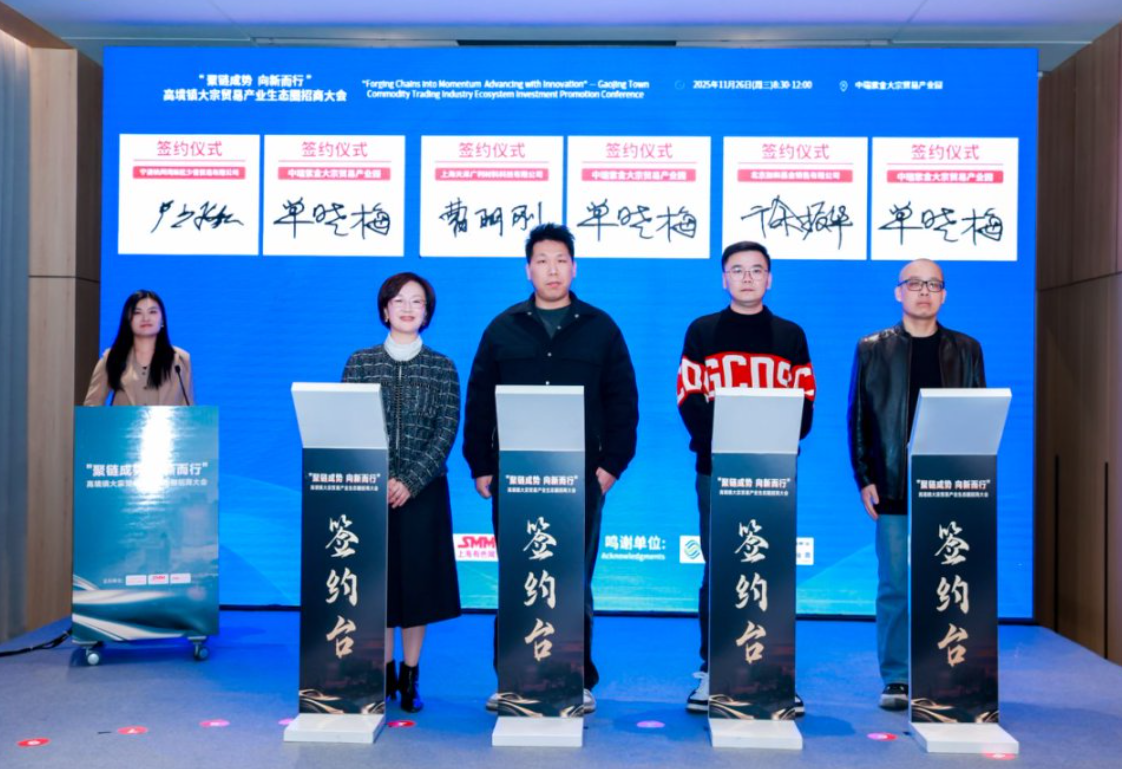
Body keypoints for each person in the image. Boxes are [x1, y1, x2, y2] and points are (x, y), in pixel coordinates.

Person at [463, 222, 639, 714]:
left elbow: (623, 402)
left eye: (561, 260)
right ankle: (512, 677)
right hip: (515, 479)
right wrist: (481, 465)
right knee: (517, 578)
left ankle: (575, 678)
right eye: (542, 261)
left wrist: (610, 467)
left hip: (581, 479)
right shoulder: (502, 328)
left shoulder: (601, 328)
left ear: (574, 267)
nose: (552, 269)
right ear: (528, 269)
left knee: (573, 580)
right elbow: (479, 402)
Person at [676, 241, 815, 714]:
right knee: (720, 569)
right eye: (737, 270)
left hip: (774, 474)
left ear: (769, 279)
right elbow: (689, 399)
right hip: (716, 470)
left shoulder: (790, 335)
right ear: (724, 279)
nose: (748, 278)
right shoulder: (703, 331)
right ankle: (713, 669)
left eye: (757, 270)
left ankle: (773, 673)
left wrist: (763, 449)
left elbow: (805, 405)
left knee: (770, 571)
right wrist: (727, 448)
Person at [847, 258, 986, 710]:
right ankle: (897, 678)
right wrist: (864, 477)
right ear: (898, 292)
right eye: (915, 283)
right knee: (895, 586)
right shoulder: (872, 348)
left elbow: (978, 417)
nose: (924, 291)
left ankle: (947, 671)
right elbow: (858, 417)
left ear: (944, 295)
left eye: (933, 284)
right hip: (893, 485)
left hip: (951, 485)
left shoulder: (967, 349)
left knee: (951, 584)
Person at [341, 272, 462, 714]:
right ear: (384, 309)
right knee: (378, 588)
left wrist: (410, 481)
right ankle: (384, 672)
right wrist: (380, 479)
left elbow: (446, 431)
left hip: (423, 494)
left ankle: (411, 677)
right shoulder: (360, 363)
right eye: (399, 300)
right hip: (371, 494)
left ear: (427, 312)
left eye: (417, 301)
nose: (408, 308)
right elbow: (348, 425)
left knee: (417, 592)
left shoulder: (443, 367)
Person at [84, 289, 194, 406]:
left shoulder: (180, 360)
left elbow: (188, 409)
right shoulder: (112, 357)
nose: (145, 318)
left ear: (162, 320)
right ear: (128, 320)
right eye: (137, 312)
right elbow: (91, 406)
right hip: (123, 419)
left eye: (152, 312)